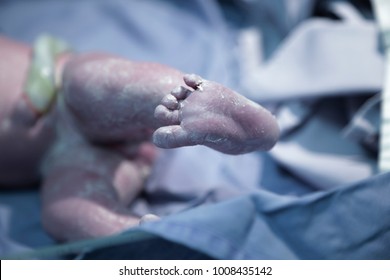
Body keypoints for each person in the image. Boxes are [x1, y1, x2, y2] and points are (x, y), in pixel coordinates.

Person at [0, 35, 280, 242]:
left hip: (63, 93)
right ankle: (134, 237)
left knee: (100, 82)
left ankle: (183, 102)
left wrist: (40, 83)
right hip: (58, 163)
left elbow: (47, 44)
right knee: (62, 212)